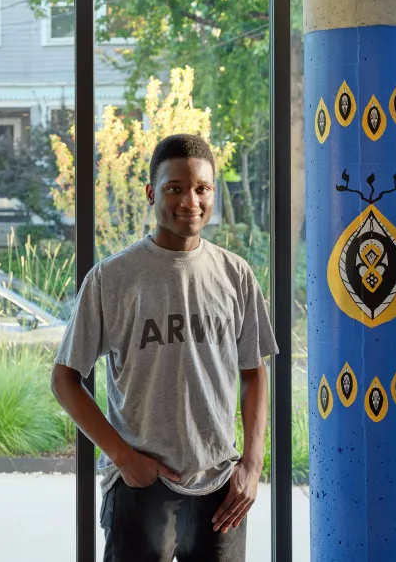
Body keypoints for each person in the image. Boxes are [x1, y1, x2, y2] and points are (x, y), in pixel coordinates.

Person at [52, 133, 278, 562]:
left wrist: (251, 464)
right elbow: (65, 378)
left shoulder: (236, 275)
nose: (190, 200)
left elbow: (253, 371)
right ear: (151, 193)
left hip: (221, 488)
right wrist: (122, 457)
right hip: (142, 485)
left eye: (201, 189)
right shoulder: (112, 278)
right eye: (175, 188)